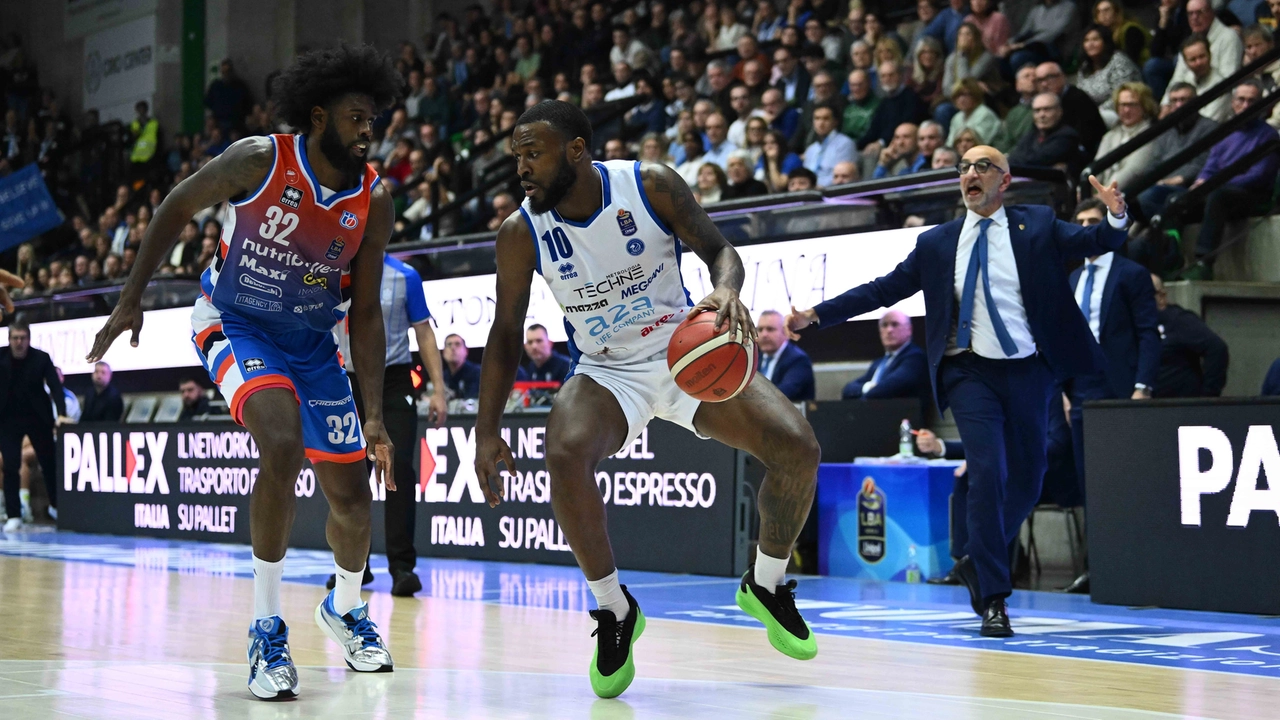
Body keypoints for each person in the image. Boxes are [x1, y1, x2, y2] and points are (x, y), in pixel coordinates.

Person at [86, 45, 400, 700]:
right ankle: (265, 626)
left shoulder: (376, 199)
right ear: (319, 118)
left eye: (374, 118)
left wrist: (373, 411)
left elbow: (366, 313)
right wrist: (129, 298)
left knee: (351, 498)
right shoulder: (261, 159)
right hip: (235, 321)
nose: (370, 129)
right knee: (281, 444)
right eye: (356, 117)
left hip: (315, 341)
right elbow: (176, 206)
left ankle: (345, 609)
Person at [479, 101, 821, 698]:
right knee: (563, 449)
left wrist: (725, 292)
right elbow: (506, 332)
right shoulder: (521, 231)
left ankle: (766, 584)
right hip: (607, 370)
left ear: (577, 151)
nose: (523, 168)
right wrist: (486, 431)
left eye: (533, 153)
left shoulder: (649, 185)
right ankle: (615, 611)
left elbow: (721, 251)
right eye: (517, 156)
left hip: (683, 350)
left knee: (798, 447)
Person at [786, 146, 1130, 636]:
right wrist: (818, 315)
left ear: (1005, 181)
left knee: (1029, 480)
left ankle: (974, 559)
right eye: (965, 167)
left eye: (983, 166)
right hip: (968, 372)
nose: (971, 173)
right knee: (987, 470)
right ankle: (994, 597)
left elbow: (1096, 238)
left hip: (1029, 369)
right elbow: (882, 290)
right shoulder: (938, 242)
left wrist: (1116, 216)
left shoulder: (1037, 224)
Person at [329, 253, 449, 597]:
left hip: (393, 379)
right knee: (349, 474)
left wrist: (438, 389)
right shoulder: (331, 269)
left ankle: (402, 568)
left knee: (399, 471)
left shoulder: (404, 276)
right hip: (344, 379)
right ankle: (353, 566)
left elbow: (424, 332)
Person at [1061, 198, 1160, 594]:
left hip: (1121, 389)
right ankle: (1095, 567)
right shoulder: (1071, 280)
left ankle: (1134, 567)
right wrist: (1065, 391)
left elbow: (1148, 333)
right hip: (1081, 390)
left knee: (1127, 480)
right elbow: (1064, 339)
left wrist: (1143, 386)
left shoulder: (1132, 274)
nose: (1086, 227)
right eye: (1080, 221)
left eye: (1093, 220)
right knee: (1089, 483)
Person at [1179, 79, 1280, 280]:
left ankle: (1203, 262)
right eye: (1241, 100)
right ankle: (1171, 257)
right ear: (1233, 102)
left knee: (1218, 195)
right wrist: (1201, 182)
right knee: (1176, 199)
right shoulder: (1225, 131)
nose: (1245, 106)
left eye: (1252, 101)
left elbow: (1258, 176)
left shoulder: (1269, 136)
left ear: (1262, 104)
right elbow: (1211, 165)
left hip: (1251, 194)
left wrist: (1214, 184)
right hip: (1221, 187)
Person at [0, 320, 65, 532]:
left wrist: (61, 414)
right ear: (9, 339)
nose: (19, 342)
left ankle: (58, 506)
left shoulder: (41, 358)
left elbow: (55, 387)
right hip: (8, 419)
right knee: (10, 466)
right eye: (15, 338)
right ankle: (14, 515)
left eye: (22, 338)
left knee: (49, 463)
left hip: (39, 418)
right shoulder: (1, 356)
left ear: (29, 339)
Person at [1135, 82, 1218, 224]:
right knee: (1125, 199)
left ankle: (1166, 236)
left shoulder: (1210, 127)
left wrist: (1172, 180)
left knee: (1151, 195)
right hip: (1162, 184)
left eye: (1184, 99)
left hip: (1189, 187)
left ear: (1196, 101)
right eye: (1174, 100)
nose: (1179, 105)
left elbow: (1203, 164)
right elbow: (1155, 162)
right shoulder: (1166, 129)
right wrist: (1149, 180)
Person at [1151, 273, 1229, 398]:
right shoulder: (1131, 324)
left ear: (1161, 296)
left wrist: (1208, 395)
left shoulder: (1179, 320)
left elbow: (1216, 348)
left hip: (1180, 407)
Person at [841, 309, 929, 401]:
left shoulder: (916, 358)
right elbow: (847, 390)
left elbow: (888, 388)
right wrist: (867, 387)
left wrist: (860, 403)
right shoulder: (879, 363)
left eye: (895, 324)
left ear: (909, 329)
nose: (889, 330)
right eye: (884, 325)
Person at [1093, 82, 1158, 191]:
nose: (1126, 110)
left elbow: (1132, 171)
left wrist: (1105, 195)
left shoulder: (1150, 134)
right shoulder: (1110, 135)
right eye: (1122, 105)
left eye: (1132, 105)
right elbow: (1096, 168)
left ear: (1145, 106)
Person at [1035, 62, 1107, 158]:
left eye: (1049, 77)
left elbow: (1085, 140)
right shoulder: (1042, 103)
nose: (1044, 84)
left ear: (1062, 77)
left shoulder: (1079, 99)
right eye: (1040, 80)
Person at [1076, 24, 1143, 127]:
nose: (1090, 44)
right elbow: (1081, 98)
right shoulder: (1084, 68)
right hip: (1094, 115)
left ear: (1105, 42)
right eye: (1086, 40)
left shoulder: (1119, 61)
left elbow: (1120, 94)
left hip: (1122, 109)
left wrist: (1094, 112)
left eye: (1095, 39)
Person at [1008, 92, 1084, 176]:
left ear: (1059, 112)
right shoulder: (1032, 134)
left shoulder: (1068, 135)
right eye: (1037, 111)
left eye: (1047, 109)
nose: (1042, 115)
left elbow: (1038, 160)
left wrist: (1021, 159)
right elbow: (1013, 157)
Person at [1162, 35, 1232, 122]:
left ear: (1209, 55)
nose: (1198, 63)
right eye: (1193, 59)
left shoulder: (1221, 86)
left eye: (1202, 56)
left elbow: (1209, 123)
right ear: (1186, 63)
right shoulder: (1185, 78)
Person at [755, 310, 815, 401]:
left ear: (786, 332)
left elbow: (783, 394)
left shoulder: (798, 360)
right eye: (760, 330)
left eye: (770, 329)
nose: (764, 335)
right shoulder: (754, 360)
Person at [803, 104, 856, 187]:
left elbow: (844, 177)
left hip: (833, 193)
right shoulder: (811, 149)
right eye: (817, 118)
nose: (821, 123)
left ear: (835, 122)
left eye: (826, 118)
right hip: (810, 194)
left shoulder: (845, 143)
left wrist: (820, 188)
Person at [442, 333, 483, 398]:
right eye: (449, 345)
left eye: (457, 344)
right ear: (443, 352)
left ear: (466, 351)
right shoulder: (442, 376)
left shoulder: (478, 373)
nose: (453, 348)